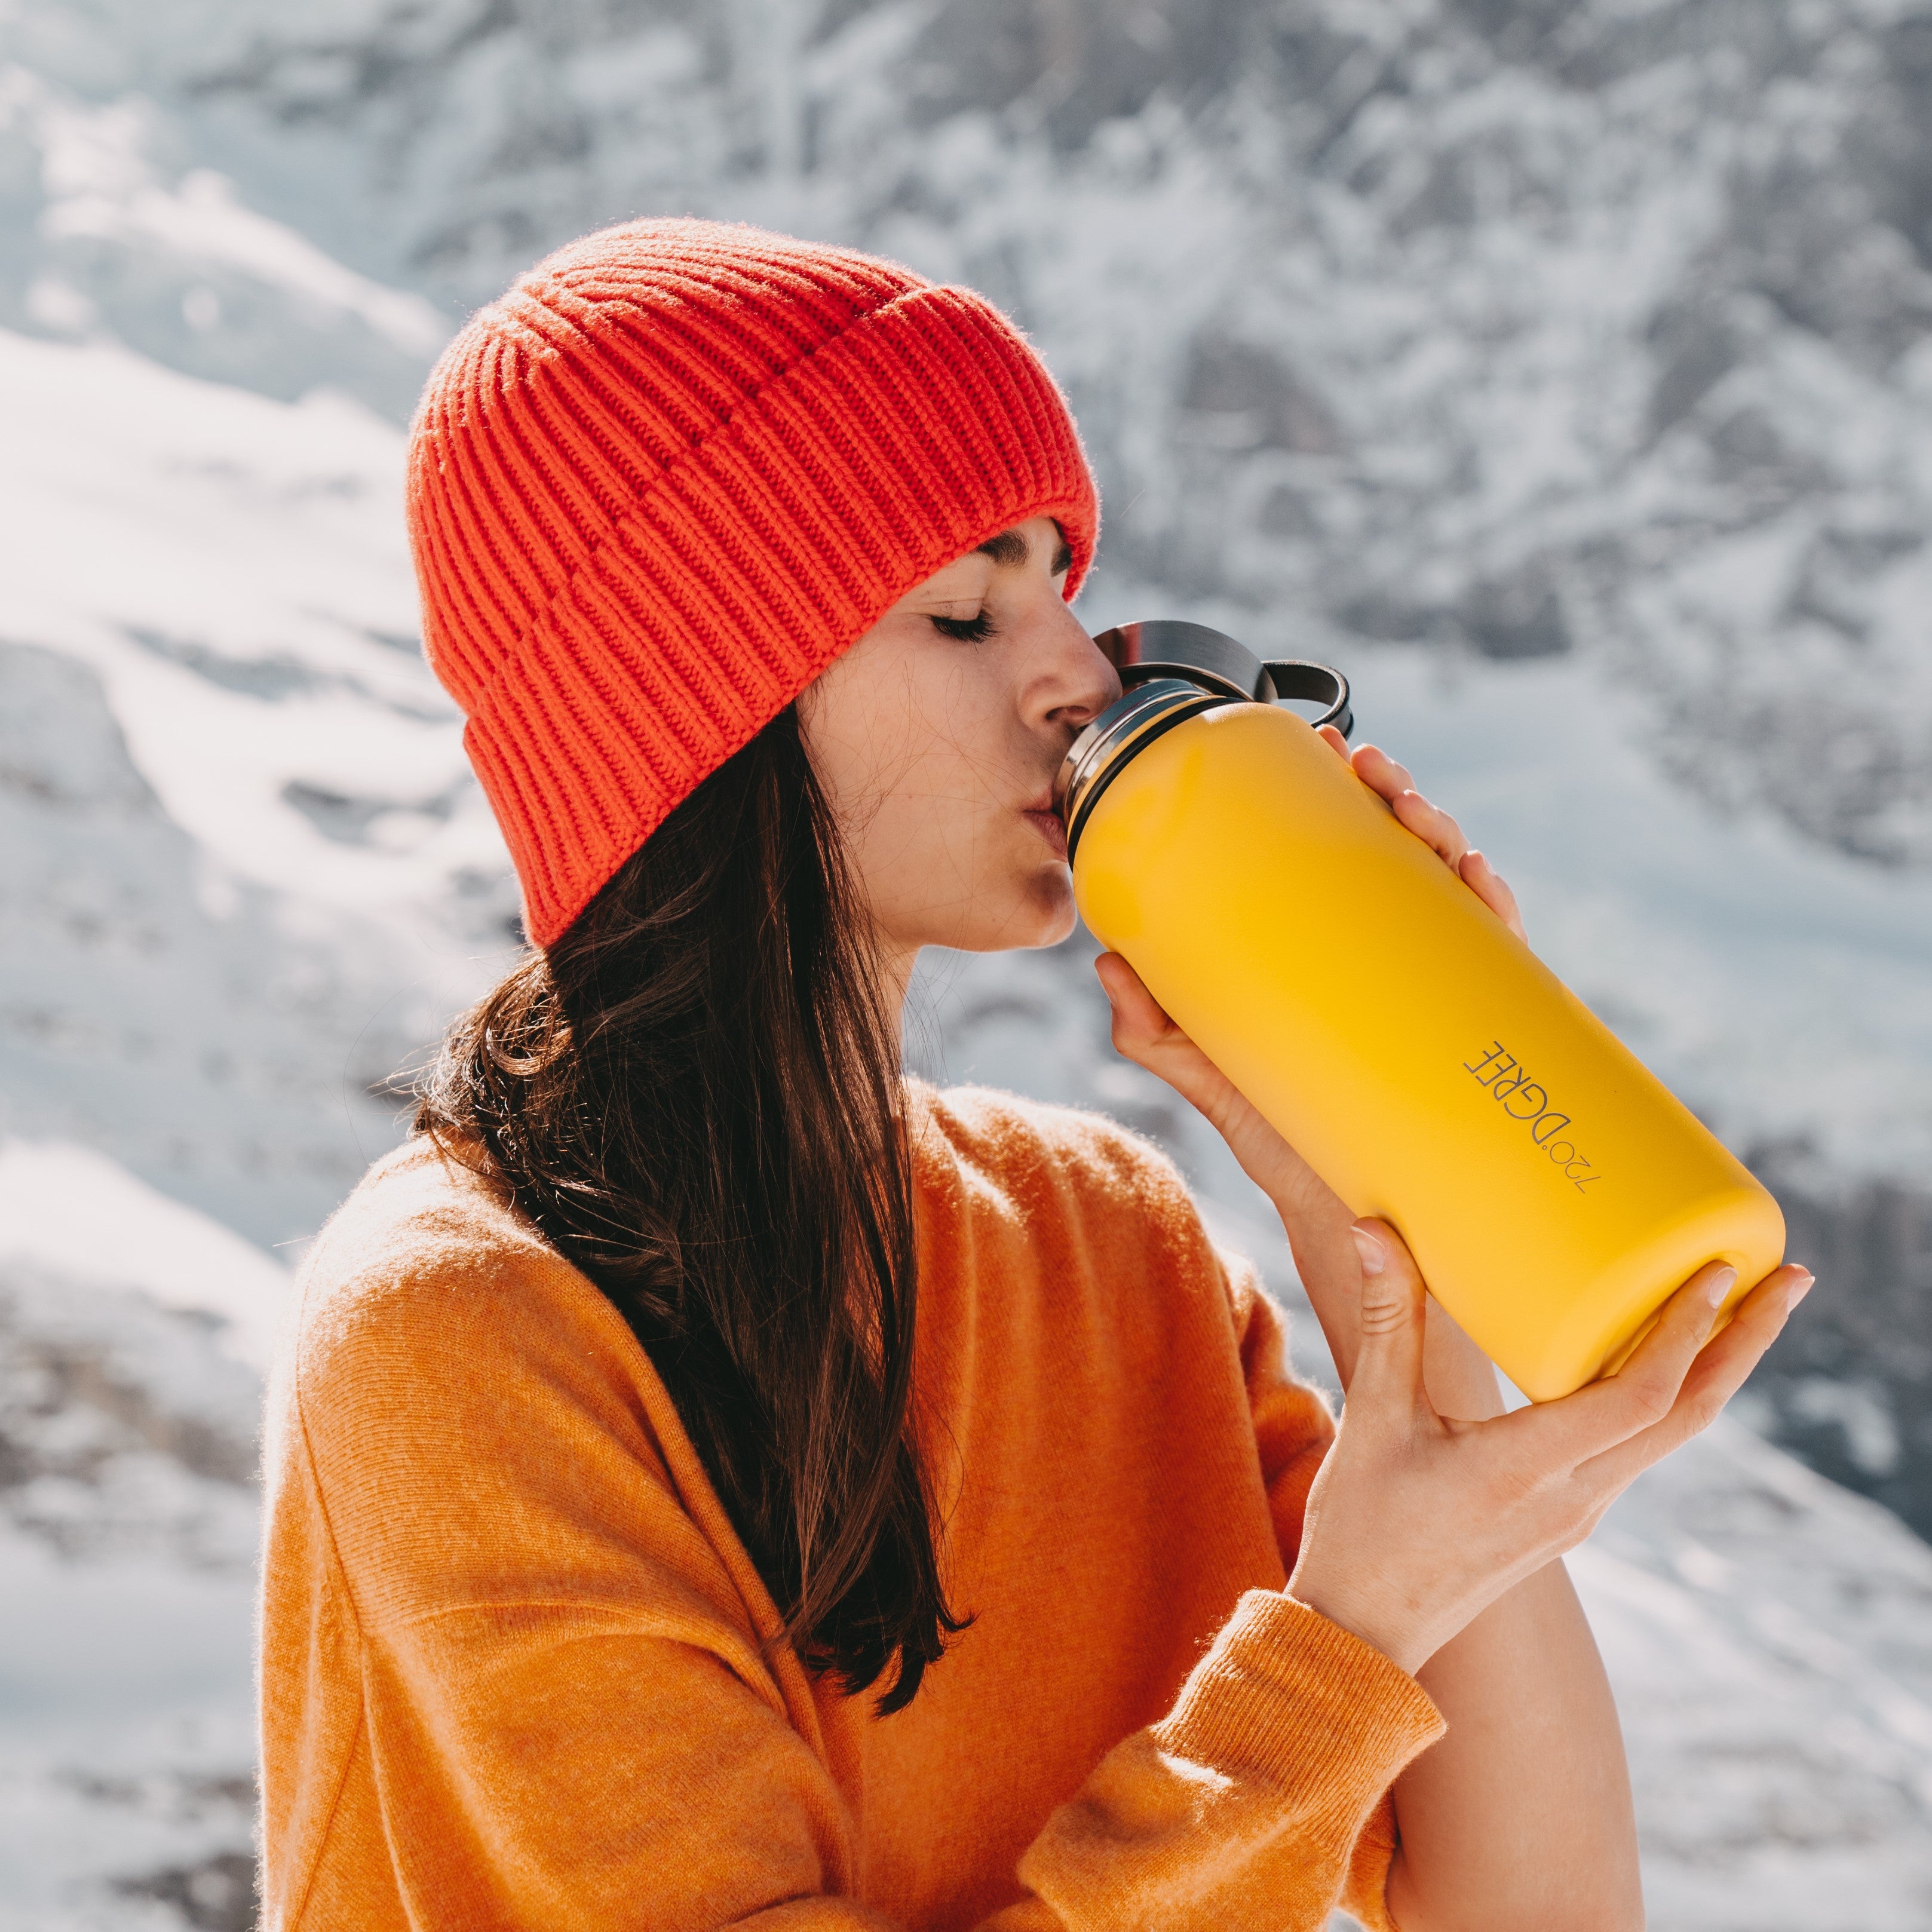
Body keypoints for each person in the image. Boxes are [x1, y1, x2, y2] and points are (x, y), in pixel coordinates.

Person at [257, 220, 1811, 1932]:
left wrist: (1392, 1226)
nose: (1079, 675)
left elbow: (1534, 1914)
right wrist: (1348, 1633)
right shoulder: (460, 1327)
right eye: (962, 611)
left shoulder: (1106, 1244)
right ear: (696, 710)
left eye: (1062, 587)